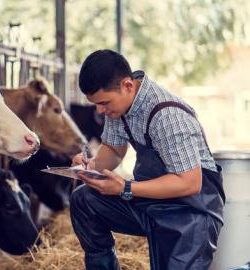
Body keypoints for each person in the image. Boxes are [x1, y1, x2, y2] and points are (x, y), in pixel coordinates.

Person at [70, 49, 225, 270]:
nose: (100, 110)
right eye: (95, 103)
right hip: (151, 202)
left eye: (104, 102)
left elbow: (190, 183)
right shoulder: (119, 108)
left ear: (127, 85)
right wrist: (90, 166)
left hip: (191, 212)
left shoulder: (168, 116)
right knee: (84, 200)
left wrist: (124, 187)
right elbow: (114, 150)